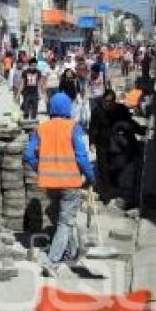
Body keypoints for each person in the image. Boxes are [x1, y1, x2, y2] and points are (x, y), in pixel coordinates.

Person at [24, 93, 95, 275]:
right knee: (65, 221)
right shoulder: (73, 128)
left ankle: (70, 253)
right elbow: (81, 155)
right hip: (70, 182)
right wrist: (90, 176)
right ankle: (52, 262)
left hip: (50, 183)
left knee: (60, 218)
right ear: (68, 109)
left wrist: (41, 169)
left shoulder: (42, 128)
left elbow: (29, 154)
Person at [90, 89, 145, 199]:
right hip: (102, 141)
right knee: (103, 167)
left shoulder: (121, 109)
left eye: (110, 101)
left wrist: (140, 130)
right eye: (105, 101)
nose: (107, 104)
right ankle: (105, 193)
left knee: (118, 164)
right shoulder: (97, 111)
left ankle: (113, 185)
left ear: (114, 102)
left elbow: (129, 122)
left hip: (117, 143)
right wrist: (92, 142)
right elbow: (93, 127)